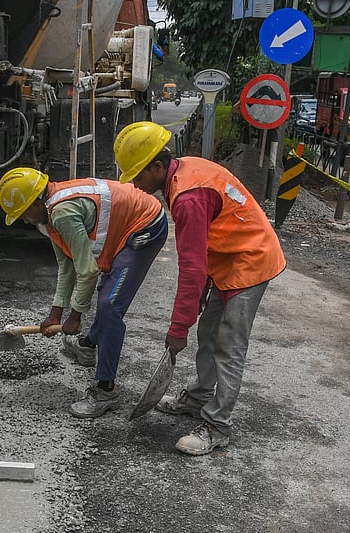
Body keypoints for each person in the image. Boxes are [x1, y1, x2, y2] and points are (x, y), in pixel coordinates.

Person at [112, 122, 286, 456]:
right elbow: (205, 247)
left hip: (250, 260)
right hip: (228, 255)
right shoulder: (185, 170)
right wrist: (205, 288)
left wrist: (178, 329)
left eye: (137, 174)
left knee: (229, 344)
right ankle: (198, 397)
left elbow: (190, 269)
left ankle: (217, 425)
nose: (134, 183)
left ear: (158, 166)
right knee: (209, 330)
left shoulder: (188, 197)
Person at [0, 167, 168, 418]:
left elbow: (86, 272)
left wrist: (75, 316)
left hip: (145, 226)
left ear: (37, 201)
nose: (24, 220)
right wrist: (55, 313)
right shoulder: (46, 218)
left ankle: (106, 390)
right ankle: (88, 346)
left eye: (24, 214)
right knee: (106, 291)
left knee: (110, 306)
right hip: (125, 226)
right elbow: (67, 265)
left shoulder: (62, 213)